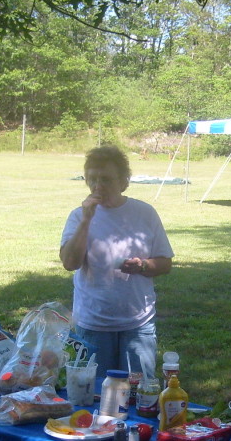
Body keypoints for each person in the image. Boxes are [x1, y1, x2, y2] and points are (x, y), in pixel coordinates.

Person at [60, 145, 174, 379]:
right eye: (92, 179)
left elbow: (165, 263)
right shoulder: (77, 215)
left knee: (139, 395)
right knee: (95, 395)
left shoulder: (145, 213)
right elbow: (70, 262)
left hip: (138, 323)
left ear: (124, 181)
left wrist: (143, 266)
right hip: (93, 323)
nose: (98, 187)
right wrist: (86, 221)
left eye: (106, 180)